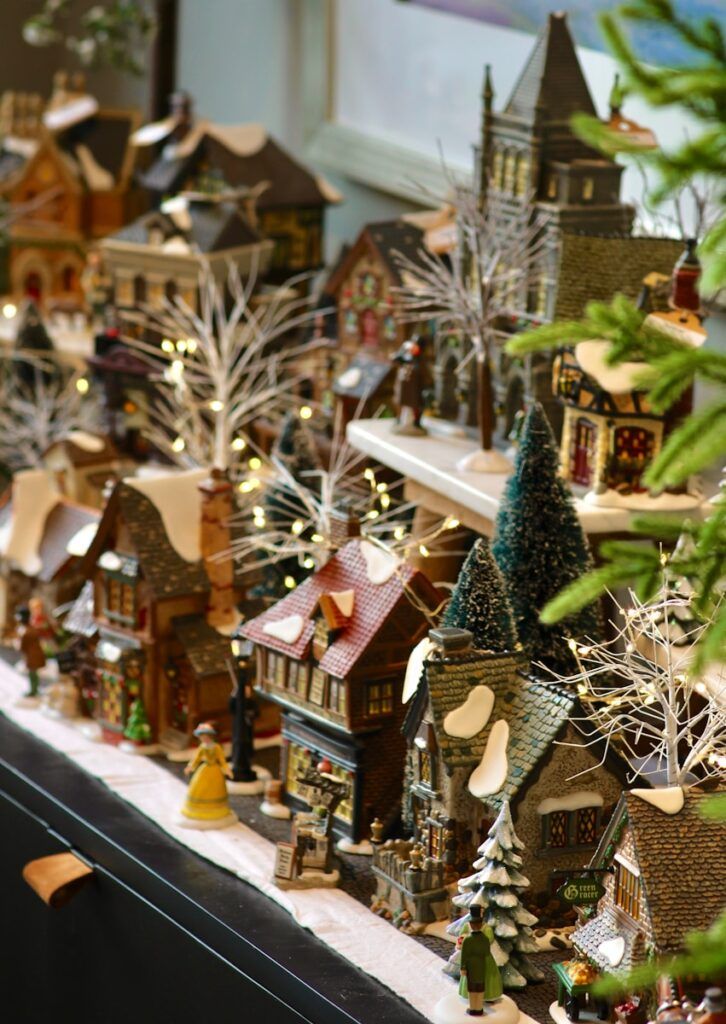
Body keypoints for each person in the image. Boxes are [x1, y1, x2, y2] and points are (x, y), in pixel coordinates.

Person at [180, 723, 235, 826]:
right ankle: (199, 808)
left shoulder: (216, 747)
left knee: (215, 788)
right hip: (205, 769)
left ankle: (216, 808)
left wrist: (227, 769)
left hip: (215, 770)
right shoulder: (202, 747)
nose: (203, 739)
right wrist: (190, 767)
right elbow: (196, 759)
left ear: (210, 736)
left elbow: (222, 760)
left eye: (205, 737)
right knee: (200, 787)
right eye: (202, 737)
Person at [459, 904, 503, 1016]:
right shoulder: (471, 933)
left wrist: (463, 967)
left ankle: (476, 1007)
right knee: (477, 986)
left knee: (476, 986)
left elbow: (488, 942)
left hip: (481, 962)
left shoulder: (484, 931)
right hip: (479, 962)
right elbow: (462, 934)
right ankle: (477, 1008)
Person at [15, 604, 46, 698]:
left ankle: (33, 691)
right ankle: (34, 689)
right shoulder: (31, 628)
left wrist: (16, 643)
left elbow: (22, 646)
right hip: (35, 654)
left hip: (32, 657)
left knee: (32, 674)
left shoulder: (25, 631)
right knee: (33, 674)